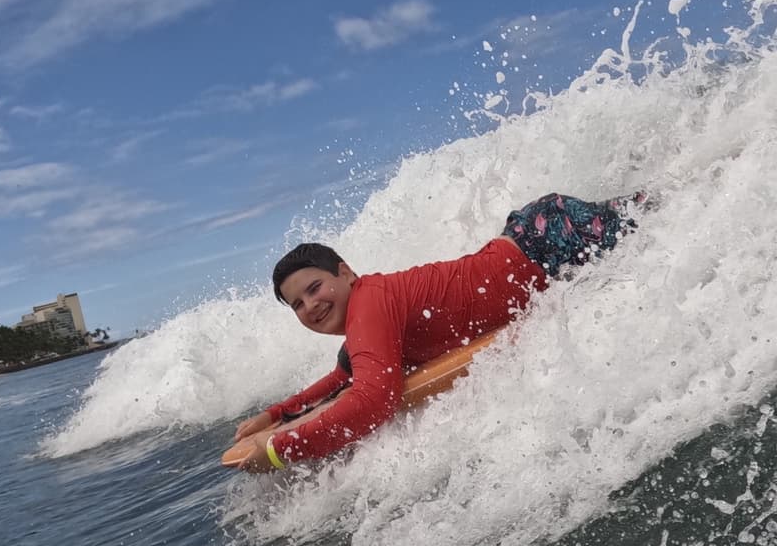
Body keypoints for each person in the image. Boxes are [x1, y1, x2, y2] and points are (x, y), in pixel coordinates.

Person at [231, 192, 643, 470]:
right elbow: (346, 376)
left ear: (345, 273)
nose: (311, 306)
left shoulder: (369, 305)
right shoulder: (365, 316)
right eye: (297, 304)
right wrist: (275, 414)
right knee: (649, 210)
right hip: (532, 239)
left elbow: (375, 400)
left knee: (661, 215)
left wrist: (278, 451)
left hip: (549, 239)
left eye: (314, 288)